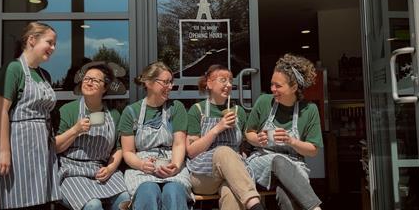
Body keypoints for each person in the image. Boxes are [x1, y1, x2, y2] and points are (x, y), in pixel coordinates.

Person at [0, 22, 60, 209]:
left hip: (43, 150)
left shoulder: (44, 74)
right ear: (31, 40)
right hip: (19, 148)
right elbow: (0, 111)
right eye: (49, 42)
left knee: (42, 203)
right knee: (20, 202)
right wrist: (4, 151)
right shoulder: (13, 69)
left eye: (54, 44)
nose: (53, 48)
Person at [245, 54, 323, 210]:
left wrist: (291, 141)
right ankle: (315, 208)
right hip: (262, 160)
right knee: (279, 160)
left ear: (294, 87)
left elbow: (313, 150)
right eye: (272, 84)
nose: (273, 89)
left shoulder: (309, 109)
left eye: (278, 86)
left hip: (294, 164)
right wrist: (257, 139)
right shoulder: (264, 102)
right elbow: (249, 133)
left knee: (285, 196)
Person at [186, 65, 265, 210]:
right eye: (223, 80)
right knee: (223, 151)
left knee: (232, 193)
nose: (228, 85)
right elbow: (191, 151)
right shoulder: (197, 110)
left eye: (230, 81)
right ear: (209, 83)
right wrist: (218, 128)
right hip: (203, 174)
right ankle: (255, 205)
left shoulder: (238, 112)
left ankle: (253, 203)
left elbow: (245, 143)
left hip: (233, 173)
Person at [56, 61, 130, 210]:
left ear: (105, 88)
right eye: (86, 79)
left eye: (95, 80)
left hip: (100, 170)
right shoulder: (69, 110)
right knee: (93, 205)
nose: (89, 83)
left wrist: (110, 168)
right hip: (71, 171)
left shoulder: (113, 115)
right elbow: (55, 147)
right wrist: (75, 130)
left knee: (125, 199)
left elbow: (118, 148)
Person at [119, 62, 192, 210]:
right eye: (166, 82)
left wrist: (176, 166)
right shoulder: (131, 112)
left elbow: (179, 144)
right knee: (148, 192)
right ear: (148, 83)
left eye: (171, 82)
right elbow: (128, 151)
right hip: (141, 168)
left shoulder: (176, 108)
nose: (170, 86)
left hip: (171, 162)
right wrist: (141, 164)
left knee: (174, 192)